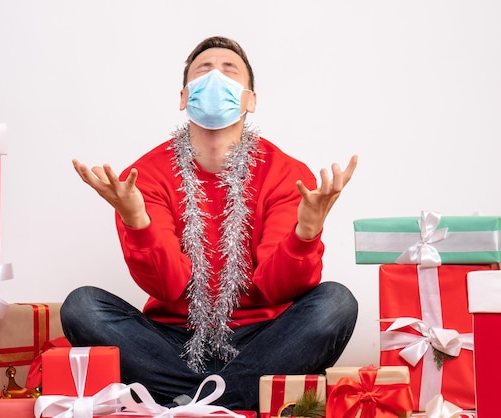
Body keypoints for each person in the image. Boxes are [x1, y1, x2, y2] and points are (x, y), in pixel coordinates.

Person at [62, 35, 358, 411]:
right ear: (185, 97)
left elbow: (276, 287)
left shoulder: (286, 174)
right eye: (204, 70)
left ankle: (188, 401)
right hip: (172, 341)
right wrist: (137, 220)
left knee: (336, 302)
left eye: (229, 69)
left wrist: (306, 233)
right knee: (81, 306)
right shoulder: (145, 176)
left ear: (250, 100)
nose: (215, 76)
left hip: (262, 343)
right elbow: (168, 286)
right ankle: (228, 399)